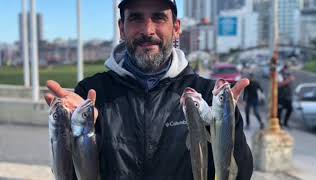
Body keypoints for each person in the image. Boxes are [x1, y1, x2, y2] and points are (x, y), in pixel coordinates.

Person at [44, 0, 253, 179]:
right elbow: (68, 174)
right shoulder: (90, 94)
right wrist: (71, 131)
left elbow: (240, 174)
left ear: (176, 27)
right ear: (122, 29)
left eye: (159, 18)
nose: (147, 30)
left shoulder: (207, 95)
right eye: (135, 18)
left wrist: (225, 123)